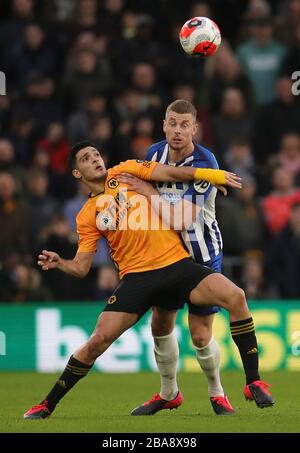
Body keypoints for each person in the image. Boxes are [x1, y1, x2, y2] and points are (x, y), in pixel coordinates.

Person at [24, 141, 274, 419]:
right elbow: (82, 268)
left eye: (96, 153)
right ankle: (47, 404)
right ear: (76, 173)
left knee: (236, 296)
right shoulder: (87, 215)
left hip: (177, 265)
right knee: (98, 341)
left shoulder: (127, 171)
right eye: (86, 158)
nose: (95, 159)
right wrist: (61, 263)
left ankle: (253, 381)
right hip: (137, 278)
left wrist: (212, 174)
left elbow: (173, 173)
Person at [120, 99, 235, 416]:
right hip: (167, 255)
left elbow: (182, 220)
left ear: (195, 128)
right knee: (160, 325)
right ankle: (168, 392)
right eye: (173, 123)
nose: (178, 130)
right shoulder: (154, 154)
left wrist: (149, 192)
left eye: (185, 125)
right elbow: (143, 199)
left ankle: (217, 393)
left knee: (200, 334)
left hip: (201, 255)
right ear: (164, 125)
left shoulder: (205, 161)